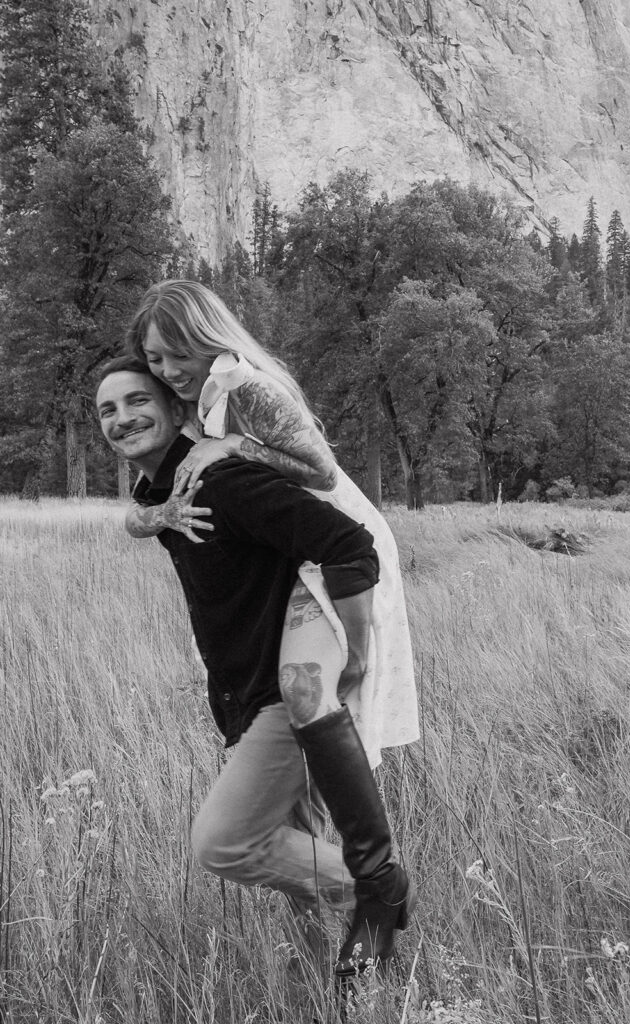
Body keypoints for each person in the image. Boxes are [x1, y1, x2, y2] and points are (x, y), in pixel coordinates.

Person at [95, 356, 415, 979]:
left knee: (225, 842)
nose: (123, 417)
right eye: (107, 409)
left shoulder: (223, 481)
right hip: (243, 694)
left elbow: (349, 542)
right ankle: (346, 985)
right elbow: (138, 515)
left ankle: (377, 891)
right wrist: (150, 517)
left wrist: (354, 655)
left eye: (138, 400)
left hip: (284, 694)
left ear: (176, 408)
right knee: (300, 856)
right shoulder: (161, 488)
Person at [123, 279, 419, 771]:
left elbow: (321, 473)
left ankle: (355, 831)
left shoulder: (249, 385)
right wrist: (165, 515)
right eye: (154, 359)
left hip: (339, 544)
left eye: (180, 354)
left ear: (209, 339)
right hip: (288, 548)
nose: (169, 371)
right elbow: (135, 514)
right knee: (290, 698)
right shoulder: (187, 403)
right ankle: (330, 829)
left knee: (324, 694)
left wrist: (233, 446)